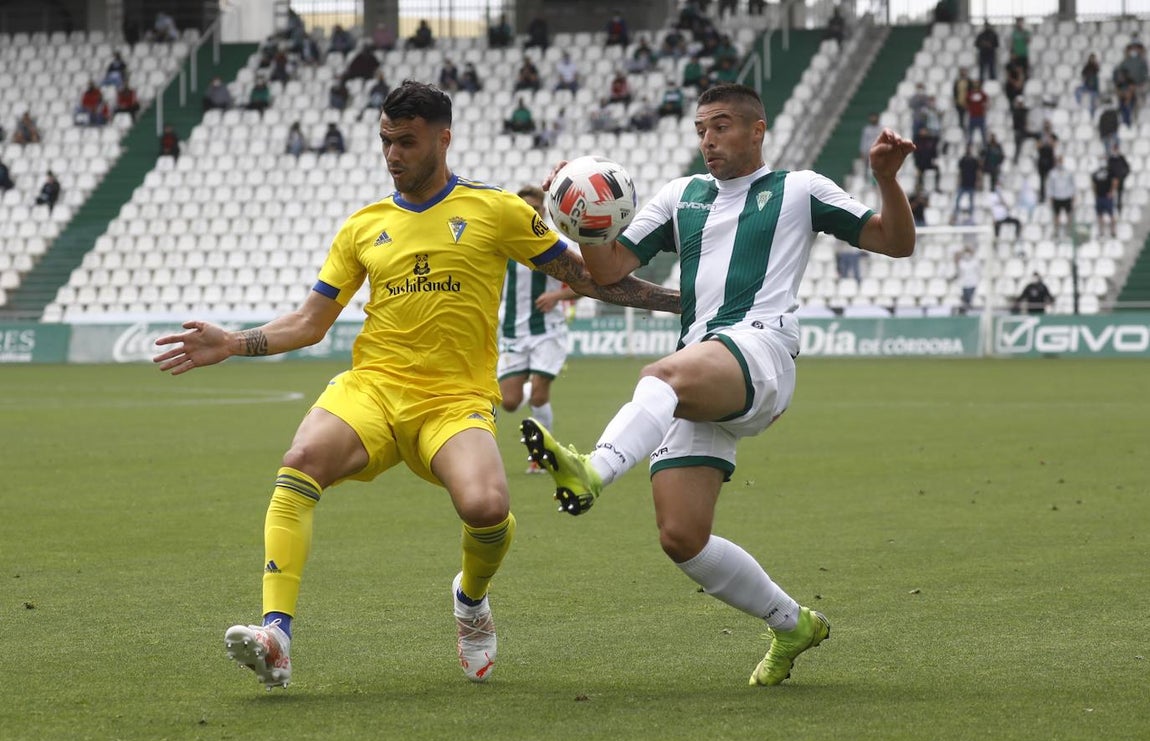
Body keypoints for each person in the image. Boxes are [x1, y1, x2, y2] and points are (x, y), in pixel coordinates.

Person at [151, 80, 678, 690]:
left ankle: (471, 601)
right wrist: (233, 342)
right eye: (385, 141)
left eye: (405, 141)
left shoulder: (499, 210)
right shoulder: (363, 226)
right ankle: (276, 636)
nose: (392, 154)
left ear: (443, 138)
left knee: (487, 508)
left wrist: (682, 301)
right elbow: (309, 323)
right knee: (299, 463)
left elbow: (588, 279)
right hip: (373, 387)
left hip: (454, 401)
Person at [520, 83, 915, 688]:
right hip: (703, 367)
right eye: (703, 128)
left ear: (757, 130)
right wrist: (583, 213)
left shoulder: (799, 189)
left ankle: (592, 471)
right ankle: (792, 624)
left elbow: (895, 242)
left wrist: (887, 178)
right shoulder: (682, 196)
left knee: (660, 375)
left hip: (761, 349)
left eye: (723, 126)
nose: (709, 139)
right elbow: (606, 272)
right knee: (682, 537)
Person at [499, 185, 582, 474]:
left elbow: (585, 284)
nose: (529, 213)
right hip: (511, 331)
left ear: (543, 211)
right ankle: (528, 385)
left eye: (534, 209)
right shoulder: (503, 245)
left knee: (538, 395)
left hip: (548, 330)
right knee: (508, 402)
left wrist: (557, 296)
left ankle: (541, 455)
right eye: (523, 209)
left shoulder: (557, 244)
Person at [1047, 156, 1076, 238]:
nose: (1059, 163)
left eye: (1061, 161)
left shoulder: (1068, 172)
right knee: (1056, 215)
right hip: (1056, 197)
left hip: (1066, 196)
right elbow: (1050, 186)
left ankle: (1069, 232)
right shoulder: (1052, 173)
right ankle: (1056, 232)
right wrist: (1050, 197)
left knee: (1069, 215)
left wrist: (1073, 195)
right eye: (1058, 161)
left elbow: (1072, 184)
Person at [1091, 156, 1118, 239]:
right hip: (1099, 196)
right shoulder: (1095, 173)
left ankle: (1113, 231)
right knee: (1099, 215)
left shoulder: (1110, 172)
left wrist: (1111, 192)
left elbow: (1115, 181)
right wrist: (1095, 194)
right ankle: (1101, 232)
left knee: (1111, 214)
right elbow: (1093, 184)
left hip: (1107, 196)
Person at [952, 145, 980, 222]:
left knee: (971, 201)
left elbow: (977, 172)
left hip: (971, 183)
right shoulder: (963, 160)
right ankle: (955, 214)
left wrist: (978, 181)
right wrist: (958, 181)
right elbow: (960, 172)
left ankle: (971, 216)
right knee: (958, 199)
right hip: (963, 183)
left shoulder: (974, 160)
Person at [952, 244, 980, 313]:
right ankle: (964, 310)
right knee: (964, 300)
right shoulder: (961, 263)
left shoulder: (975, 262)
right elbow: (958, 271)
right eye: (965, 253)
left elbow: (979, 272)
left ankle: (970, 310)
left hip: (973, 284)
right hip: (964, 284)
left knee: (971, 299)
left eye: (968, 253)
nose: (967, 255)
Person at [1107, 144, 1130, 214]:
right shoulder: (1111, 159)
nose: (1115, 151)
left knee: (1120, 193)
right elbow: (1109, 169)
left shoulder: (1121, 158)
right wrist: (1112, 177)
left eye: (1116, 149)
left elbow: (1127, 168)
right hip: (1113, 179)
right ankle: (1110, 207)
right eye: (1114, 149)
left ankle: (1119, 207)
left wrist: (1123, 176)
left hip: (1120, 179)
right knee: (1111, 192)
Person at [859, 113, 882, 179]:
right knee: (867, 169)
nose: (873, 119)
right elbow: (863, 141)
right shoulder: (866, 129)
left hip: (878, 152)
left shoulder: (881, 129)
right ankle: (867, 180)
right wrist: (862, 152)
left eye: (874, 117)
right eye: (871, 117)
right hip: (868, 153)